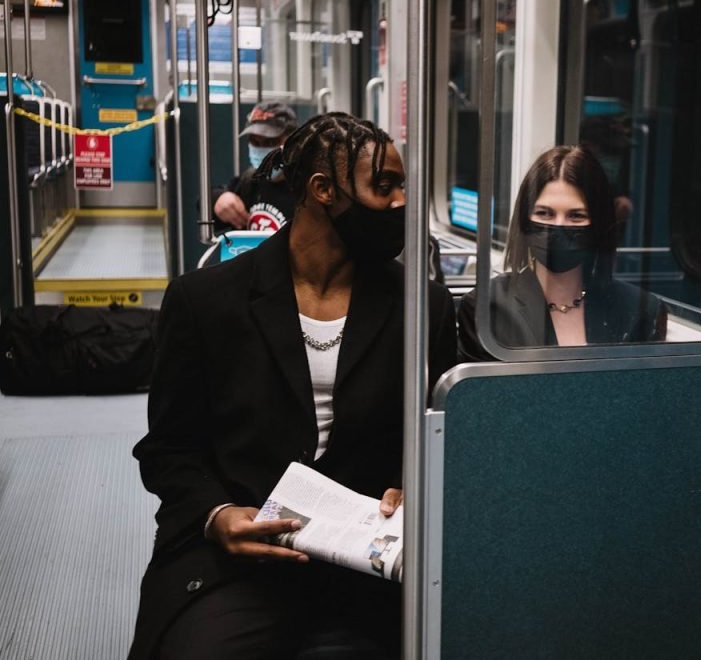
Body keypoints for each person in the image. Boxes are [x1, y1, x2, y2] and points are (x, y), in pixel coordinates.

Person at [130, 112, 457, 659]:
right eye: (383, 186)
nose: (402, 201)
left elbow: (437, 436)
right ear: (323, 190)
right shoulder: (206, 302)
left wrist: (409, 484)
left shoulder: (420, 307)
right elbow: (169, 449)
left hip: (364, 560)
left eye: (403, 185)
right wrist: (217, 516)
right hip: (240, 556)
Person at [457, 145, 666, 360]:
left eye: (576, 216)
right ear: (524, 220)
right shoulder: (486, 308)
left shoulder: (641, 311)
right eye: (544, 213)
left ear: (599, 224)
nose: (558, 227)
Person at [212, 101, 299, 232]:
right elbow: (204, 205)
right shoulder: (250, 182)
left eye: (270, 141)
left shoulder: (305, 191)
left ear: (293, 141)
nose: (261, 148)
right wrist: (218, 199)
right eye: (254, 141)